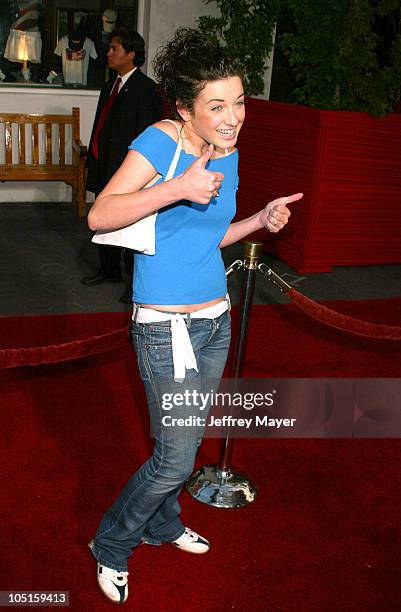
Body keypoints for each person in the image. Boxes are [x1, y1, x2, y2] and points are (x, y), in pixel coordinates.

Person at [87, 27, 302, 604]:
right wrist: (175, 186)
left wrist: (258, 219)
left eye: (239, 103)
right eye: (217, 106)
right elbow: (100, 216)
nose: (233, 117)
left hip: (215, 318)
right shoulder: (162, 142)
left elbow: (205, 240)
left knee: (185, 442)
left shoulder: (228, 150)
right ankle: (111, 543)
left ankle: (161, 524)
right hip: (165, 328)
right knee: (174, 456)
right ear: (186, 108)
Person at [82, 28, 163, 299]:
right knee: (102, 217)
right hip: (104, 165)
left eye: (114, 48)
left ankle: (134, 282)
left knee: (130, 225)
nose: (108, 53)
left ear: (131, 54)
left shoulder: (146, 89)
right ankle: (108, 270)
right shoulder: (110, 86)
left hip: (128, 171)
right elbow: (101, 127)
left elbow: (148, 136)